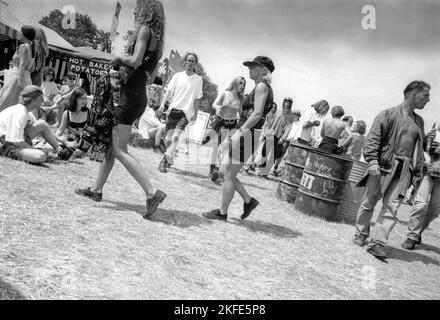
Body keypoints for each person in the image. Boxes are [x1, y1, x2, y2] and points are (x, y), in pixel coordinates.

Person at [75, 0, 167, 219]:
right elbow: (148, 73)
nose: (134, 11)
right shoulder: (156, 40)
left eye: (138, 7)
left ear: (146, 10)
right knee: (112, 147)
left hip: (130, 97)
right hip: (138, 96)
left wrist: (117, 59)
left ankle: (152, 192)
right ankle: (96, 190)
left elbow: (134, 61)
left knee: (119, 149)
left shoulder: (145, 30)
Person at [352, 81, 430, 260]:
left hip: (404, 171)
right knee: (369, 202)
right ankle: (361, 233)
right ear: (413, 94)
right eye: (425, 95)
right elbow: (373, 139)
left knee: (392, 208)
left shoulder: (419, 121)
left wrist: (417, 172)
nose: (428, 100)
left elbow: (418, 148)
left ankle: (377, 243)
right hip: (381, 166)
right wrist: (372, 161)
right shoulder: (387, 114)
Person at [203, 56, 275, 221]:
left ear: (264, 70)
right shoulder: (260, 87)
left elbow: (257, 114)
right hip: (248, 134)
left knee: (227, 174)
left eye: (254, 66)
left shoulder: (262, 86)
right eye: (250, 66)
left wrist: (239, 132)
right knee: (223, 171)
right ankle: (248, 201)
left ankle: (222, 212)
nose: (249, 68)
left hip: (247, 135)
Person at [0, 85, 70, 163]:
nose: (43, 101)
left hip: (12, 140)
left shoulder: (26, 111)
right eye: (41, 98)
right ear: (34, 99)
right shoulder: (20, 113)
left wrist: (63, 141)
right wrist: (33, 149)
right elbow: (16, 141)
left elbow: (43, 127)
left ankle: (60, 151)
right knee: (40, 156)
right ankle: (8, 153)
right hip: (5, 144)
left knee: (41, 123)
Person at [158, 52, 203, 172]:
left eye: (193, 61)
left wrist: (195, 113)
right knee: (168, 138)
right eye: (189, 60)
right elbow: (168, 91)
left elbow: (198, 98)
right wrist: (163, 104)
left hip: (185, 113)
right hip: (172, 110)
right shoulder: (177, 76)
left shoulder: (198, 80)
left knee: (176, 136)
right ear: (185, 61)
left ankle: (164, 160)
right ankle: (170, 158)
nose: (190, 63)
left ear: (195, 64)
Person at [402, 123, 440, 250]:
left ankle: (418, 232)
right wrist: (428, 146)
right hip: (428, 173)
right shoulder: (434, 133)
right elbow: (421, 149)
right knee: (420, 204)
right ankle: (412, 236)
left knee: (434, 211)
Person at [208, 76, 246, 182]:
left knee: (225, 147)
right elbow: (214, 104)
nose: (242, 86)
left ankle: (218, 170)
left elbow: (241, 113)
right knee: (216, 146)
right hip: (221, 123)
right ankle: (212, 168)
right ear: (234, 83)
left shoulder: (240, 99)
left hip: (232, 125)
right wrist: (217, 107)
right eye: (240, 83)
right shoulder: (224, 94)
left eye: (244, 84)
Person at [0, 26, 36, 113]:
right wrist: (15, 64)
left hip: (17, 78)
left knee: (7, 101)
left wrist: (19, 80)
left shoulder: (23, 46)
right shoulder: (33, 48)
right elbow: (32, 68)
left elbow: (23, 64)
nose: (20, 34)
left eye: (21, 33)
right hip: (26, 78)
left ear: (25, 35)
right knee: (19, 105)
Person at [256, 97, 295, 177]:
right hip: (270, 134)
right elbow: (272, 122)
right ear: (283, 103)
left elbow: (288, 128)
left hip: (279, 138)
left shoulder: (291, 116)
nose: (286, 104)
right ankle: (262, 168)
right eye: (285, 102)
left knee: (273, 156)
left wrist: (283, 138)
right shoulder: (278, 111)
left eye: (288, 103)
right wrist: (267, 132)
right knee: (264, 152)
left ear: (290, 104)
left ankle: (265, 173)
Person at [243, 101, 277, 174]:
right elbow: (265, 124)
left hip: (264, 134)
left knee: (256, 152)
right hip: (260, 132)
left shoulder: (273, 116)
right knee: (253, 151)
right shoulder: (267, 114)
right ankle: (246, 167)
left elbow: (268, 126)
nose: (273, 109)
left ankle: (247, 167)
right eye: (272, 107)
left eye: (275, 108)